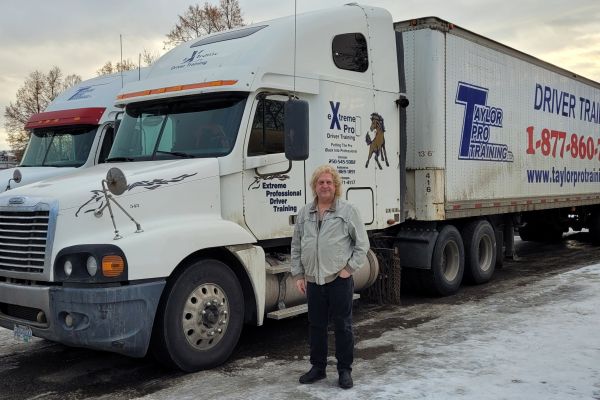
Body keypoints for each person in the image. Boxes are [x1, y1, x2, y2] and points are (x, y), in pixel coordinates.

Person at [291, 164, 369, 389]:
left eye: (329, 182)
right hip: (314, 281)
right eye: (320, 182)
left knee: (343, 326)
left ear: (336, 186)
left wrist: (349, 269)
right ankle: (318, 368)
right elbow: (296, 245)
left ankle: (344, 370)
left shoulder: (348, 211)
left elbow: (362, 244)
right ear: (314, 187)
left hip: (338, 279)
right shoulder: (305, 213)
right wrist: (298, 273)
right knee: (316, 326)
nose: (325, 186)